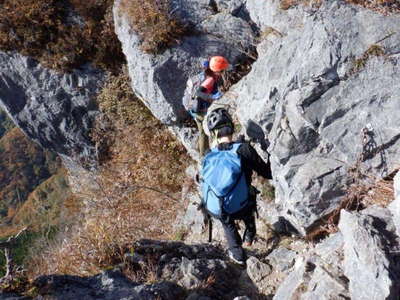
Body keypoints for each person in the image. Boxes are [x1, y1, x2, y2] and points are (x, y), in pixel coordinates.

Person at [200, 108, 272, 265]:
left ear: (213, 134)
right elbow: (268, 173)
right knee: (249, 198)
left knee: (227, 222)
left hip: (214, 208)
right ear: (232, 127)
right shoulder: (243, 149)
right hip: (240, 205)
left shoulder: (208, 154)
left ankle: (237, 255)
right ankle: (249, 234)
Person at [189, 56, 230, 157]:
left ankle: (200, 149)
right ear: (219, 70)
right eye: (223, 70)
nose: (224, 71)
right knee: (204, 132)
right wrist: (212, 97)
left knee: (201, 131)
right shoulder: (210, 79)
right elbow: (198, 93)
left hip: (195, 107)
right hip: (199, 110)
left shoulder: (209, 71)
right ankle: (203, 156)